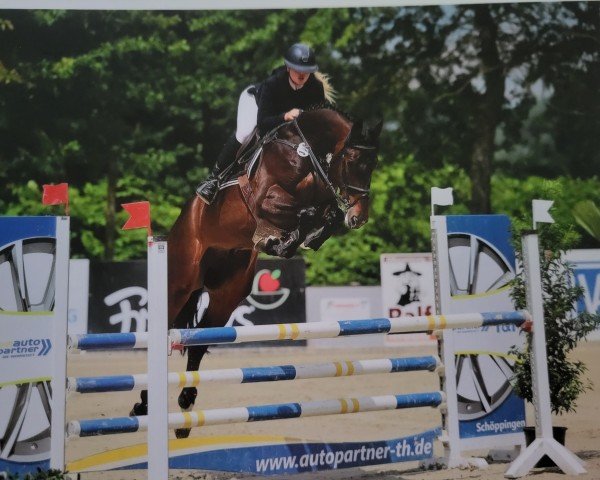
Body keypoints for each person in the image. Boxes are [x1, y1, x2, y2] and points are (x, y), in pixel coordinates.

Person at [196, 43, 330, 205]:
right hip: (256, 103)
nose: (302, 75)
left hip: (285, 118)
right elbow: (263, 123)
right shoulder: (272, 84)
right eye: (297, 69)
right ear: (288, 68)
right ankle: (214, 179)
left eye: (306, 71)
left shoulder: (316, 88)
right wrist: (285, 116)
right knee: (245, 132)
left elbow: (320, 123)